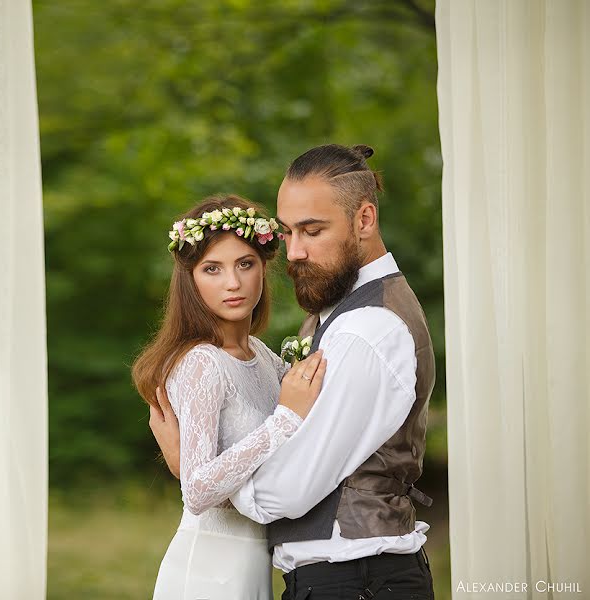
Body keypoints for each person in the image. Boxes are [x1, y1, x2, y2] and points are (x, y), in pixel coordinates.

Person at [150, 144, 436, 599]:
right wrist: (201, 477)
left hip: (356, 578)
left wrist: (197, 473)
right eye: (287, 233)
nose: (295, 252)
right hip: (236, 572)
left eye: (313, 230)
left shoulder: (363, 329)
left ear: (364, 219)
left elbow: (283, 492)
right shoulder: (336, 316)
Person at [132, 194, 328, 600]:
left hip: (254, 560)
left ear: (263, 268)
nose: (233, 283)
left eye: (245, 264)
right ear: (191, 279)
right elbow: (199, 490)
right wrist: (284, 420)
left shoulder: (263, 356)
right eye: (212, 269)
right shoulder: (201, 363)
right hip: (209, 567)